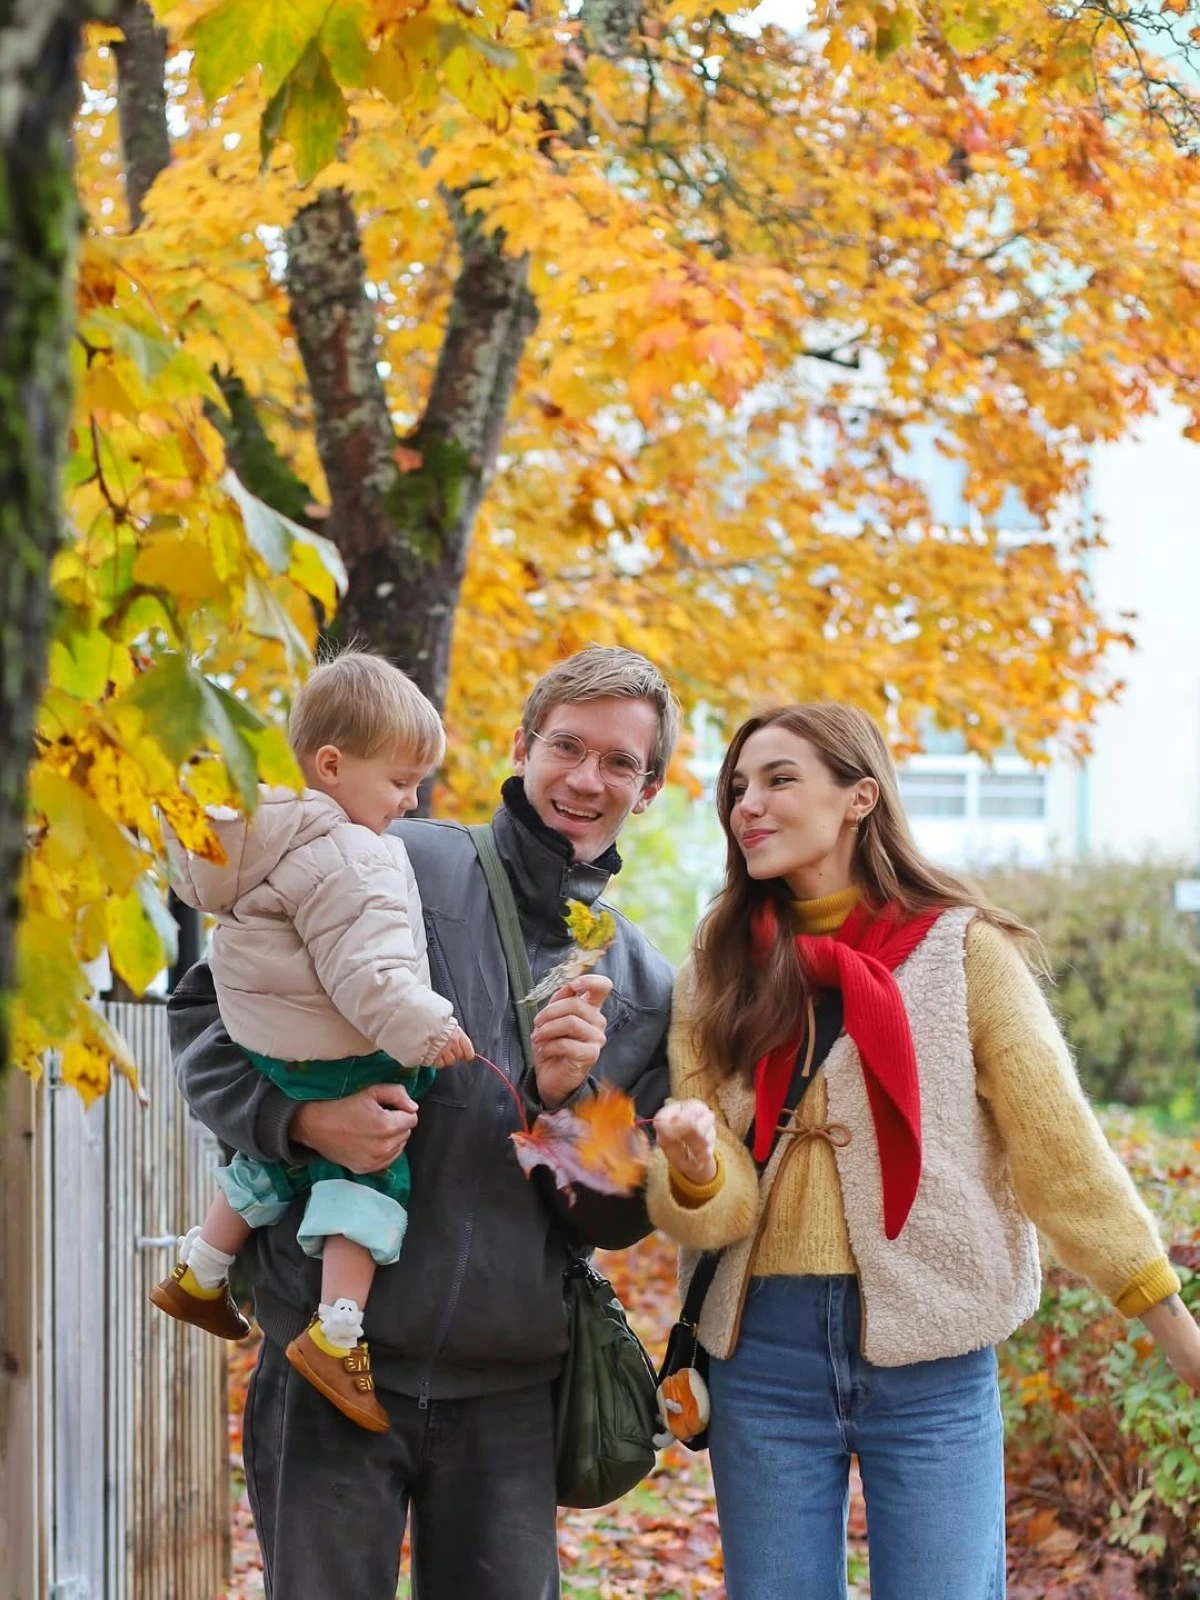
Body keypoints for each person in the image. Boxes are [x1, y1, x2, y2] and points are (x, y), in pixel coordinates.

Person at [650, 703, 1200, 1600]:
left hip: (934, 1347)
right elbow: (718, 1213)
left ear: (859, 797)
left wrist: (1173, 1328)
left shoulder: (964, 953)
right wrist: (697, 1169)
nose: (747, 804)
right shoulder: (717, 970)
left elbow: (1061, 1153)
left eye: (779, 780)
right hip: (762, 1352)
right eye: (738, 787)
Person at [169, 645, 677, 1600]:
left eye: (620, 762)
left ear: (648, 790)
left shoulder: (642, 985)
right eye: (568, 745)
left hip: (509, 1395)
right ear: (523, 748)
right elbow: (207, 1013)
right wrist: (302, 1119)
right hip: (330, 1361)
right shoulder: (389, 856)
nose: (586, 778)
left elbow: (615, 1218)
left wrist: (568, 1102)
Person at [151, 650, 475, 1433]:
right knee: (372, 1165)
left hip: (274, 1045)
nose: (410, 801)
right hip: (337, 1048)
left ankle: (201, 1268)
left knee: (279, 1156)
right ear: (332, 765)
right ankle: (337, 1335)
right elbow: (370, 976)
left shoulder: (257, 836)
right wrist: (431, 1029)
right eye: (400, 781)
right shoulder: (351, 854)